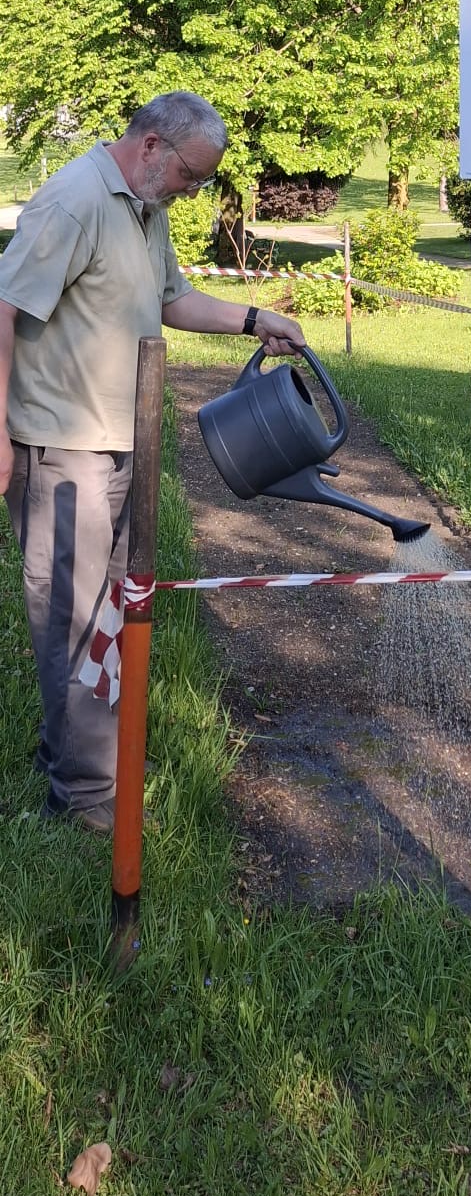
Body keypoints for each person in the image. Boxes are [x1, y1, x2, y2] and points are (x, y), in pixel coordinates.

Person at [0, 92, 305, 834]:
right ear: (151, 147)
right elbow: (3, 309)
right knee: (74, 621)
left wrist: (256, 320)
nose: (191, 192)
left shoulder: (145, 207)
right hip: (62, 450)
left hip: (121, 447)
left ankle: (78, 760)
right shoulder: (74, 201)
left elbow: (173, 300)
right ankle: (85, 798)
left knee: (110, 613)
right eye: (189, 176)